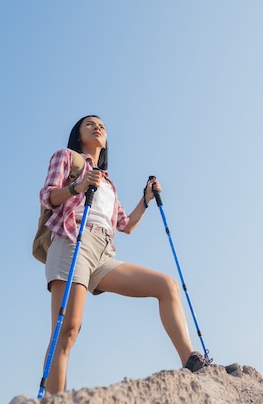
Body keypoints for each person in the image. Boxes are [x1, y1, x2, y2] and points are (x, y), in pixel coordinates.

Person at [39, 115, 210, 395]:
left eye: (102, 126)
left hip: (103, 252)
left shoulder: (108, 183)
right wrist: (77, 187)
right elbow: (47, 196)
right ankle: (55, 399)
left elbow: (125, 225)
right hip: (72, 240)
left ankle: (191, 360)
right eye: (90, 124)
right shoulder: (66, 157)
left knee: (166, 285)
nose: (98, 127)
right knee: (68, 329)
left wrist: (146, 199)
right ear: (77, 134)